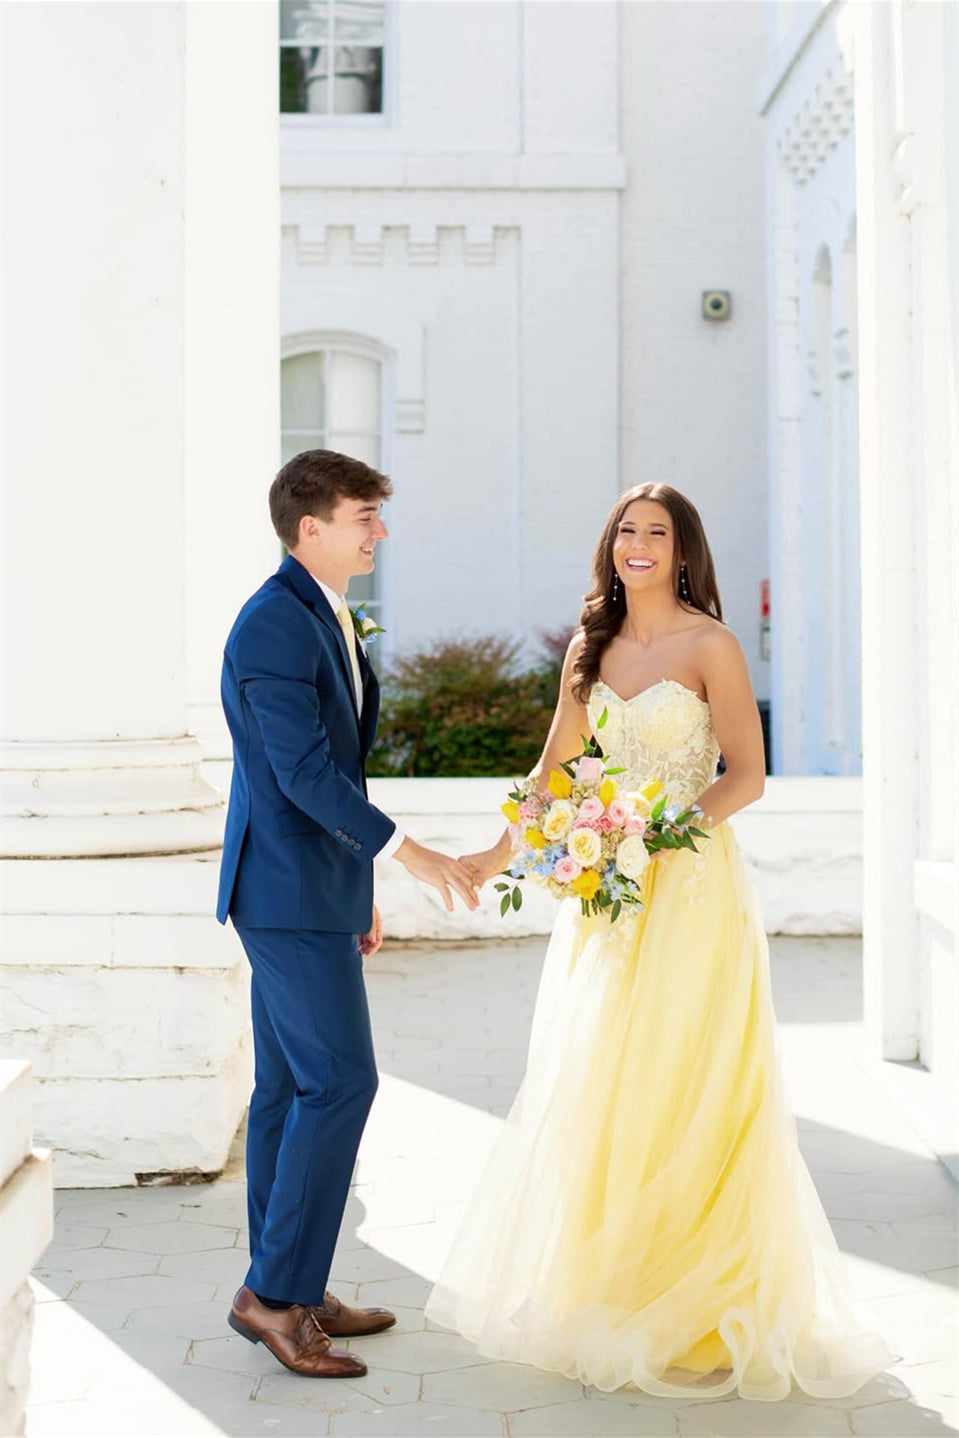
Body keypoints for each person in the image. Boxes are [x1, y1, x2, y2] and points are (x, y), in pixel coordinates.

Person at [428, 482, 892, 1401]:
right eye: (624, 531)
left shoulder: (710, 643)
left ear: (681, 552)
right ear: (609, 548)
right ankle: (615, 1284)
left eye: (655, 533)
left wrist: (657, 833)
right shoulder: (587, 647)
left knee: (691, 1077)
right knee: (604, 1078)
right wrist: (495, 851)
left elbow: (746, 776)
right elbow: (556, 769)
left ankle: (705, 1297)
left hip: (689, 893)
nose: (637, 544)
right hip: (605, 901)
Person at [217, 449, 478, 1379]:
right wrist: (412, 855)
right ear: (309, 527)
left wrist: (358, 890)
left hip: (314, 891)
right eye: (365, 515)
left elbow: (339, 767)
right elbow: (301, 776)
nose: (380, 532)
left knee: (290, 1092)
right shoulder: (270, 627)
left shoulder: (324, 614)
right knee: (341, 1084)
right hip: (282, 894)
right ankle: (276, 1302)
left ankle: (290, 1278)